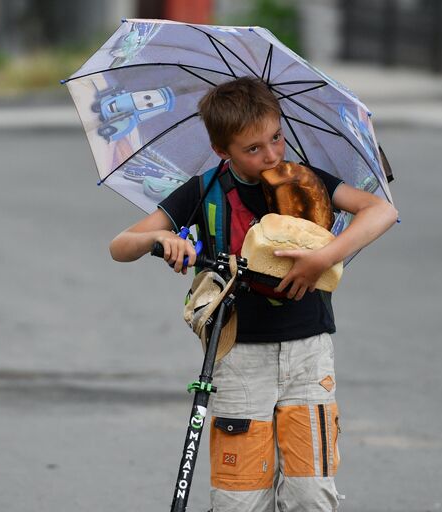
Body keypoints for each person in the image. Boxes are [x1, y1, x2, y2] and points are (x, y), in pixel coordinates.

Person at [109, 78, 397, 511]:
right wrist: (164, 239)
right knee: (239, 499)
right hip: (240, 356)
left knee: (311, 495)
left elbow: (382, 211)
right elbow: (120, 245)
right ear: (224, 151)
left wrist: (324, 257)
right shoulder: (205, 189)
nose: (272, 155)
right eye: (253, 149)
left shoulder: (307, 181)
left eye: (276, 138)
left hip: (308, 351)